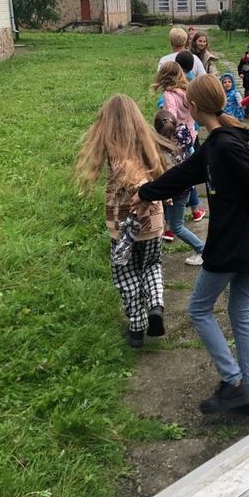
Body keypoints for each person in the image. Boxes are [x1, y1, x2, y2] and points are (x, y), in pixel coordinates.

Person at [132, 75, 249, 415]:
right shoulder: (217, 143)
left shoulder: (226, 147)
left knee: (199, 309)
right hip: (247, 241)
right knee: (239, 311)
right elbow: (185, 174)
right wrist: (146, 193)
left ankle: (234, 383)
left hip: (234, 244)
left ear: (194, 107)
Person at [75, 94, 174, 348]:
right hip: (153, 223)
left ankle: (137, 326)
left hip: (124, 227)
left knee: (125, 273)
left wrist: (139, 190)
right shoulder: (147, 141)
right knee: (152, 264)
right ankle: (155, 305)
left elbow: (132, 178)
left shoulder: (114, 149)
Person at [152, 61, 205, 225]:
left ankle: (170, 222)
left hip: (176, 139)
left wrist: (165, 123)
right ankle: (195, 211)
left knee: (175, 175)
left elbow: (172, 115)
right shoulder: (186, 90)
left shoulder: (169, 94)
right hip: (190, 135)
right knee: (189, 173)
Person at [153, 110, 205, 266]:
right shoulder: (183, 135)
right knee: (166, 220)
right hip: (185, 187)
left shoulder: (161, 147)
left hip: (176, 192)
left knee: (176, 226)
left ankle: (202, 249)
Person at [237, 46, 249, 118]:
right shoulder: (244, 59)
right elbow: (239, 67)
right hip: (247, 79)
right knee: (248, 94)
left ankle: (247, 110)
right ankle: (246, 111)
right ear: (247, 51)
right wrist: (241, 73)